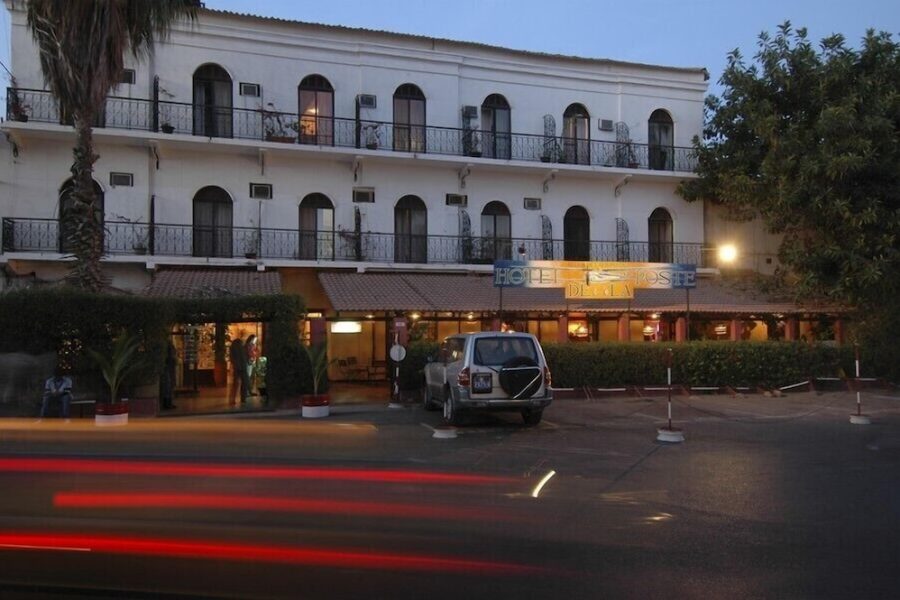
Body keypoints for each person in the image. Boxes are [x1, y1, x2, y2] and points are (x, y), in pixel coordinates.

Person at [229, 337, 247, 405]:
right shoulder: (242, 348)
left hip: (236, 367)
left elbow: (232, 359)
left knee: (235, 384)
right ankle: (243, 399)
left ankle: (233, 399)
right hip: (242, 367)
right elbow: (243, 358)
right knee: (244, 383)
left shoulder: (233, 349)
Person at [160, 341, 177, 410]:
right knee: (168, 386)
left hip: (169, 371)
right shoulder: (168, 359)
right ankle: (167, 403)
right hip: (168, 371)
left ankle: (168, 402)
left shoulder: (170, 359)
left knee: (169, 387)